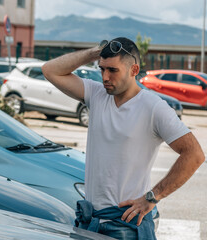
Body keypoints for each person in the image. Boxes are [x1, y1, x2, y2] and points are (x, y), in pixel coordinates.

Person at [42, 37, 205, 239]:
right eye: (102, 69)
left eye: (113, 70)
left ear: (134, 70)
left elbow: (194, 154)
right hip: (90, 221)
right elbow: (50, 70)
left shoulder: (153, 107)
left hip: (124, 225)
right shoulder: (97, 94)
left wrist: (153, 197)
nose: (105, 77)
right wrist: (95, 53)